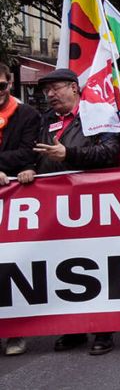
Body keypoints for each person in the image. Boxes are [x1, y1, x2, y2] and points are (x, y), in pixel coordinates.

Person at [17, 68, 120, 356]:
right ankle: (73, 327)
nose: (50, 95)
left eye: (56, 88)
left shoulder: (98, 114)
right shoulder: (47, 120)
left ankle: (103, 329)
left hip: (95, 204)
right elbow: (36, 154)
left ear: (74, 88)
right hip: (57, 206)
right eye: (46, 91)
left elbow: (110, 152)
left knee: (99, 267)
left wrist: (70, 155)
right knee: (65, 267)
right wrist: (29, 169)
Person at [0, 64, 40, 357]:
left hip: (15, 202)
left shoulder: (27, 114)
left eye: (0, 86)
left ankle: (15, 331)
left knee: (13, 266)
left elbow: (28, 152)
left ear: (10, 83)